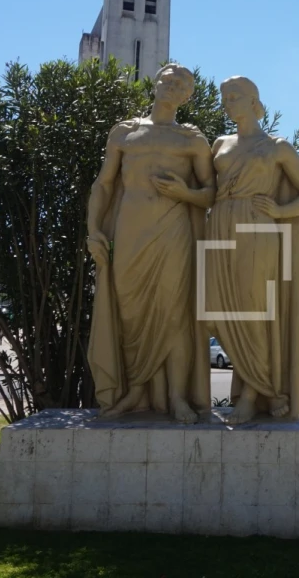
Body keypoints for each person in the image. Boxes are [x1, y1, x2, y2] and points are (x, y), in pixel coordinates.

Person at [86, 63, 215, 422]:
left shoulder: (192, 139)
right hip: (128, 232)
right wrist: (93, 229)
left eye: (181, 86)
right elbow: (104, 184)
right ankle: (135, 393)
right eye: (168, 82)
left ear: (187, 97)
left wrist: (184, 193)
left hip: (173, 232)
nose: (172, 89)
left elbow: (210, 195)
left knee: (173, 314)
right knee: (130, 314)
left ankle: (176, 397)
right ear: (156, 84)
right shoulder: (125, 132)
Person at [207, 76, 299, 425]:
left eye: (234, 96)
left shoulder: (277, 147)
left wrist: (281, 212)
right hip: (220, 228)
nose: (227, 102)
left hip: (257, 228)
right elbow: (207, 189)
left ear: (253, 100)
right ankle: (262, 388)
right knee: (220, 312)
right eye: (224, 97)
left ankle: (254, 393)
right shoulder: (219, 144)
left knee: (253, 312)